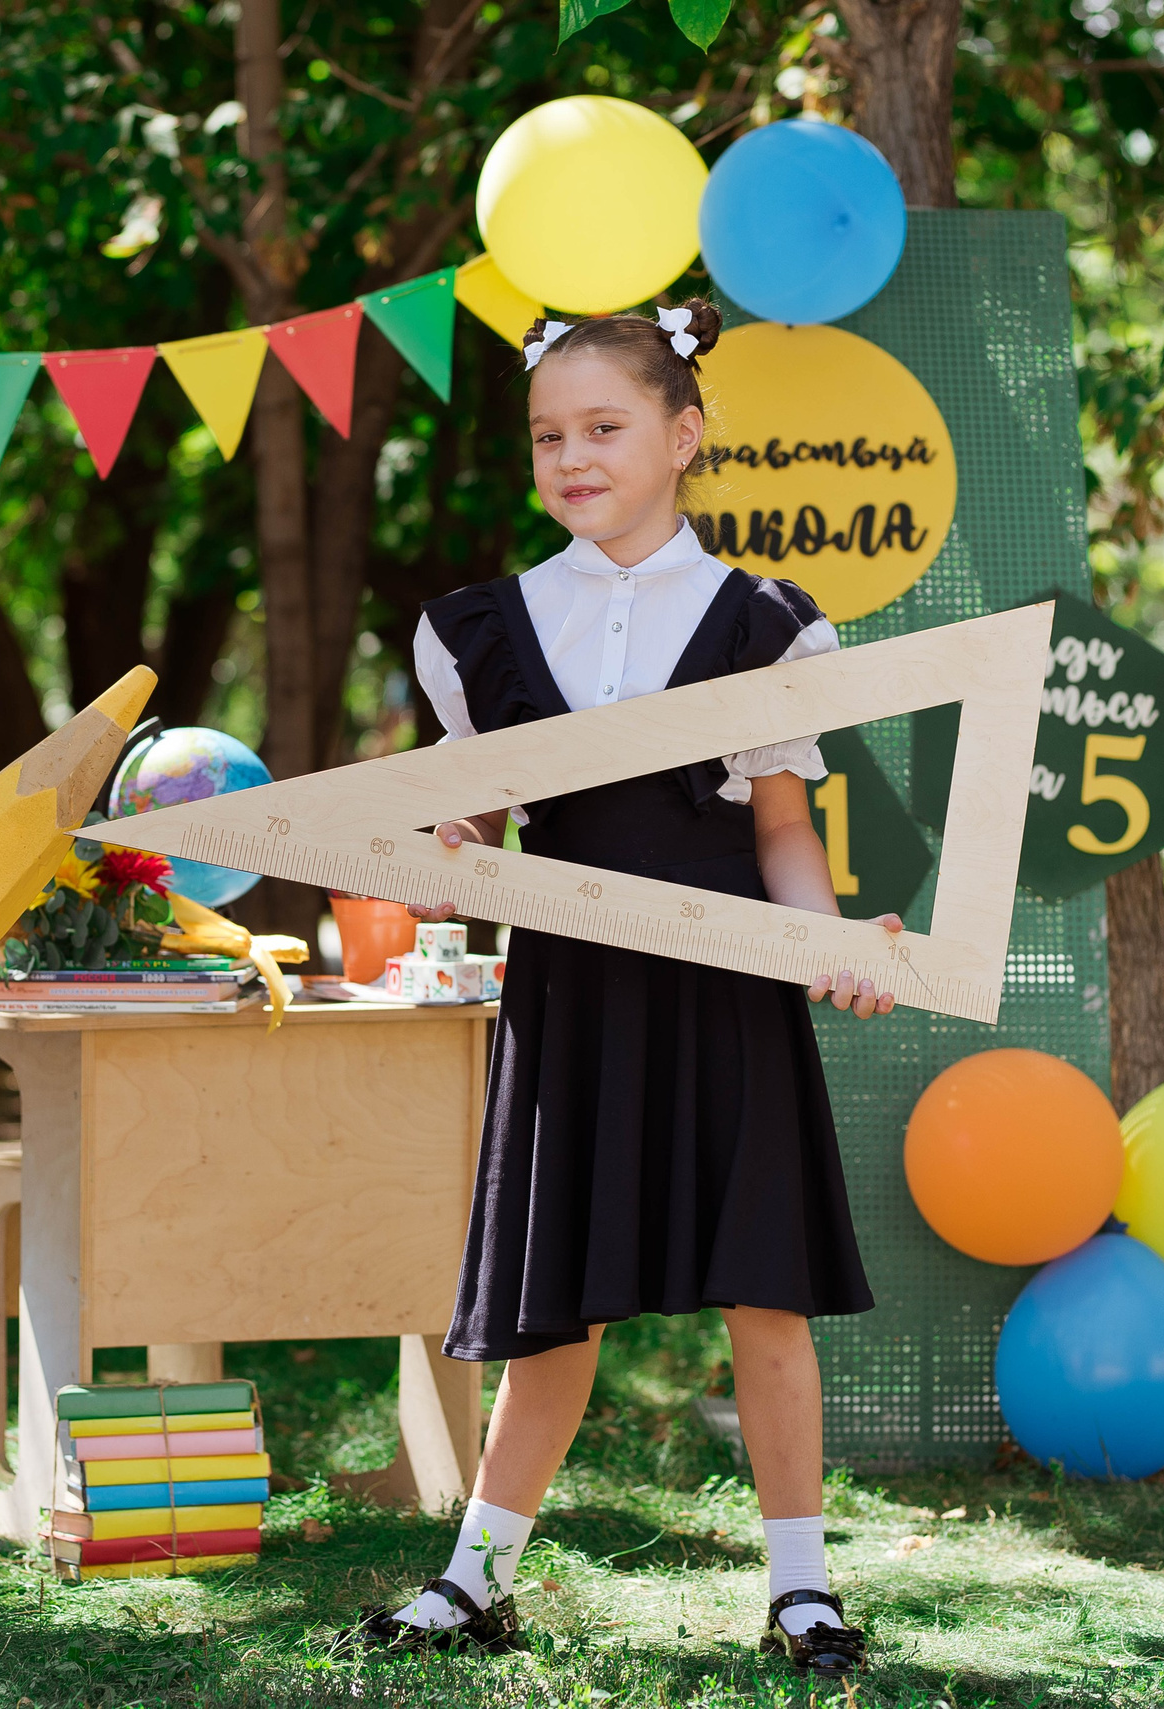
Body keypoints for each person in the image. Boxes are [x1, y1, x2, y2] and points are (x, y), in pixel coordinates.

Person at [340, 306, 896, 1676]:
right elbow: (467, 830)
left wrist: (831, 945)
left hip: (725, 987)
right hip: (573, 995)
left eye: (606, 427)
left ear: (683, 434)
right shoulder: (478, 628)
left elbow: (782, 834)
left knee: (762, 1293)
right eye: (549, 435)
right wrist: (431, 851)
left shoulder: (768, 622)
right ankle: (478, 1579)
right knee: (553, 1304)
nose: (574, 456)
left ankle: (801, 1586)